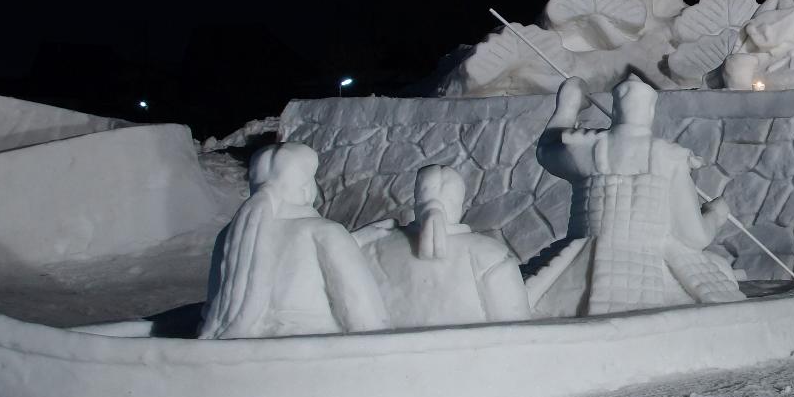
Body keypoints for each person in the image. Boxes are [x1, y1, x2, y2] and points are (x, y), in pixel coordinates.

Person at [527, 75, 743, 315]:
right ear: (650, 110)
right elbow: (694, 237)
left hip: (583, 256)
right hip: (651, 258)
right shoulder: (668, 157)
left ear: (616, 108)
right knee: (720, 271)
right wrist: (714, 215)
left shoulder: (588, 148)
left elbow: (547, 150)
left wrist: (568, 104)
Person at [199, 141, 391, 339]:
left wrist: (355, 242)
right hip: (314, 350)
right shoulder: (325, 232)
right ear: (306, 187)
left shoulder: (230, 235)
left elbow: (212, 309)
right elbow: (364, 317)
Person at [354, 165, 531, 328]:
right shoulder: (491, 255)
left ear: (416, 199)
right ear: (458, 204)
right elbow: (517, 330)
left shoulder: (371, 245)